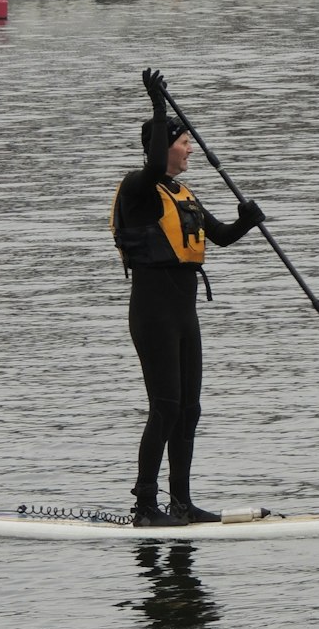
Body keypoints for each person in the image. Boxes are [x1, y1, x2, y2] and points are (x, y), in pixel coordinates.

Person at [110, 68, 266, 527]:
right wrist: (159, 107)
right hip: (153, 310)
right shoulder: (140, 188)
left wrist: (248, 220)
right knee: (166, 406)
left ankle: (181, 502)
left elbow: (217, 236)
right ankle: (144, 506)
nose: (189, 148)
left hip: (184, 313)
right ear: (164, 145)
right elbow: (154, 163)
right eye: (183, 142)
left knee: (190, 409)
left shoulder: (183, 193)